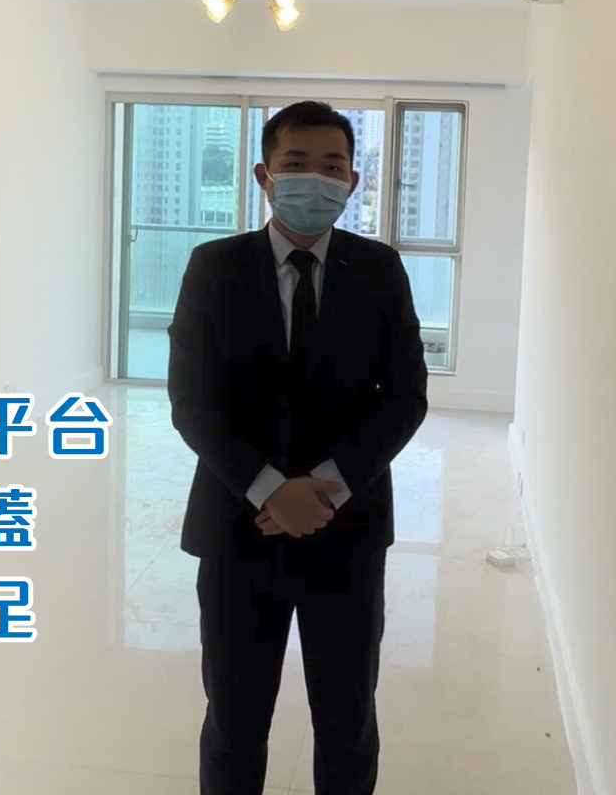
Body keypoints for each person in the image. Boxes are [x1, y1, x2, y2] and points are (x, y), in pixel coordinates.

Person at [168, 99, 430, 795]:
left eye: (332, 167)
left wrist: (326, 488)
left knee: (347, 720)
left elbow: (405, 397)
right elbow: (192, 401)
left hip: (347, 533)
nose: (316, 178)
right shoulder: (213, 267)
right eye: (296, 163)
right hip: (237, 530)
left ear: (352, 181)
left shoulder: (380, 270)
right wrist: (269, 489)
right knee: (234, 719)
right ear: (264, 174)